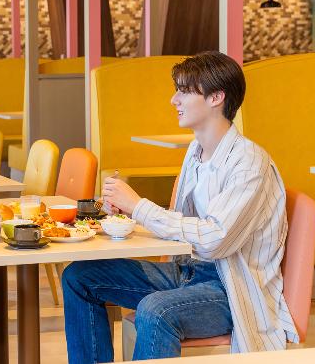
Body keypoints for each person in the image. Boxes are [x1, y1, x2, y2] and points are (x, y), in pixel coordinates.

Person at [62, 51, 297, 362]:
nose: (174, 100)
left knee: (155, 310)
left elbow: (215, 239)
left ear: (216, 97)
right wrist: (129, 212)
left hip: (231, 290)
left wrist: (140, 206)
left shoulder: (249, 163)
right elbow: (185, 224)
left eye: (184, 91)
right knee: (79, 276)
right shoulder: (196, 151)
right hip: (187, 271)